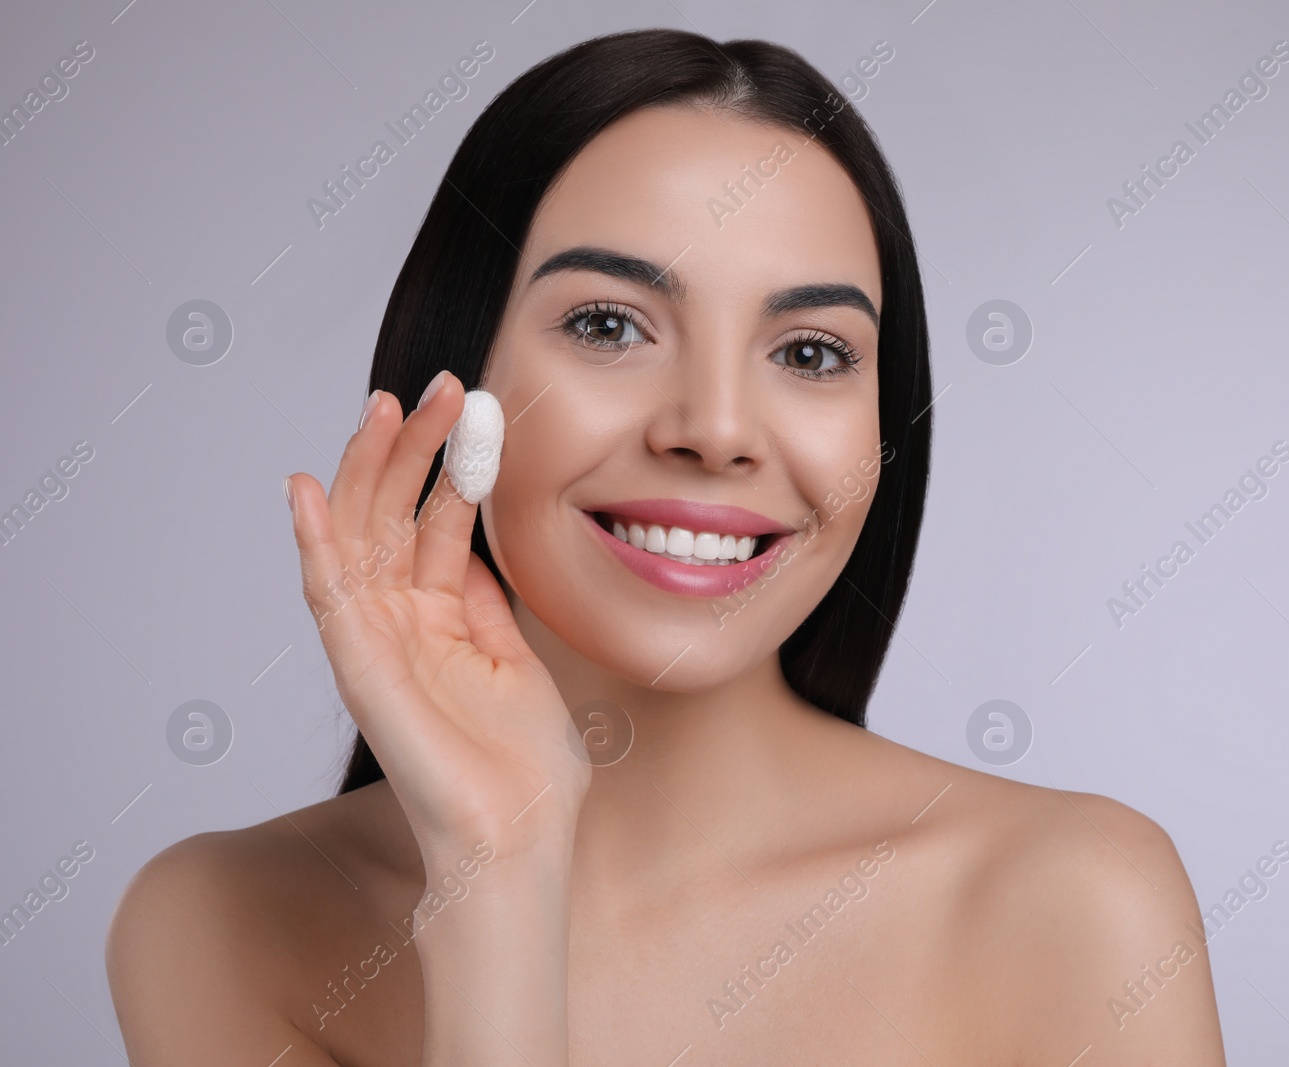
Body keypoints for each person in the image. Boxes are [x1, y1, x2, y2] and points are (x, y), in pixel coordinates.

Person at [105, 27, 1226, 1065]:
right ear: (457, 376)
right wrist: (497, 873)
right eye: (608, 325)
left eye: (811, 352)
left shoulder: (1075, 902)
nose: (716, 429)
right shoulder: (223, 918)